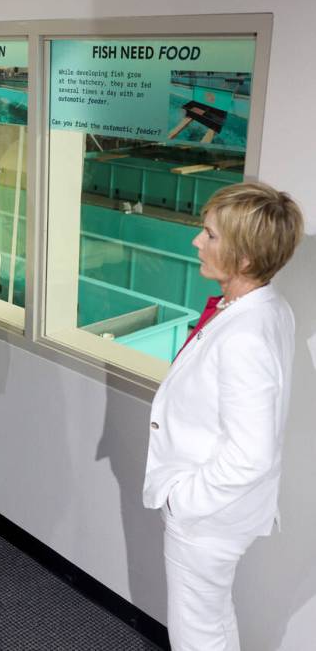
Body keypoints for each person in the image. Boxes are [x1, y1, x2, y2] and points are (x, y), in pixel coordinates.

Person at [142, 182, 304, 650]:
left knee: (196, 635)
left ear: (246, 258)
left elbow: (251, 454)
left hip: (207, 518)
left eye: (210, 235)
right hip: (221, 514)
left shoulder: (246, 336)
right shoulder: (264, 307)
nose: (197, 241)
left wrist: (182, 501)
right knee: (212, 623)